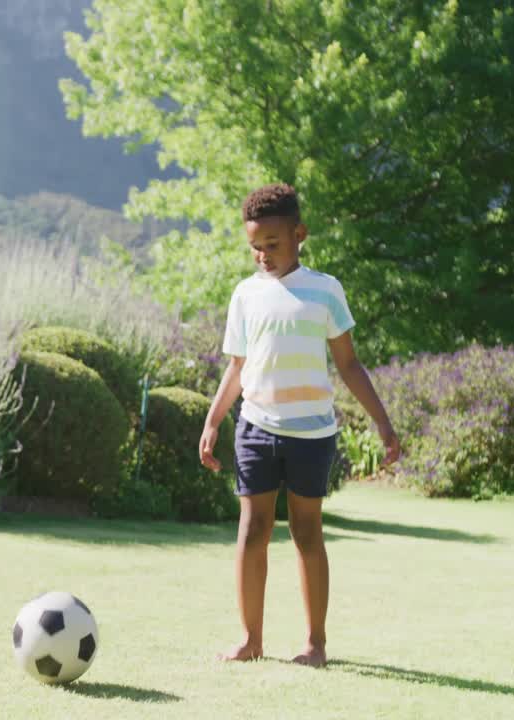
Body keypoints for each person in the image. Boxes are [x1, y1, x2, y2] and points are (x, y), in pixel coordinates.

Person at [198, 183, 401, 668]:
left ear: (299, 234)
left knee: (308, 533)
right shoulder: (245, 295)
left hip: (312, 434)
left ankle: (315, 643)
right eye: (255, 246)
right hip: (255, 429)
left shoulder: (325, 290)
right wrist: (212, 423)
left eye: (273, 244)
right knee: (253, 531)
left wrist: (384, 424)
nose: (263, 255)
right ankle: (251, 639)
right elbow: (236, 367)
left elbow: (350, 365)